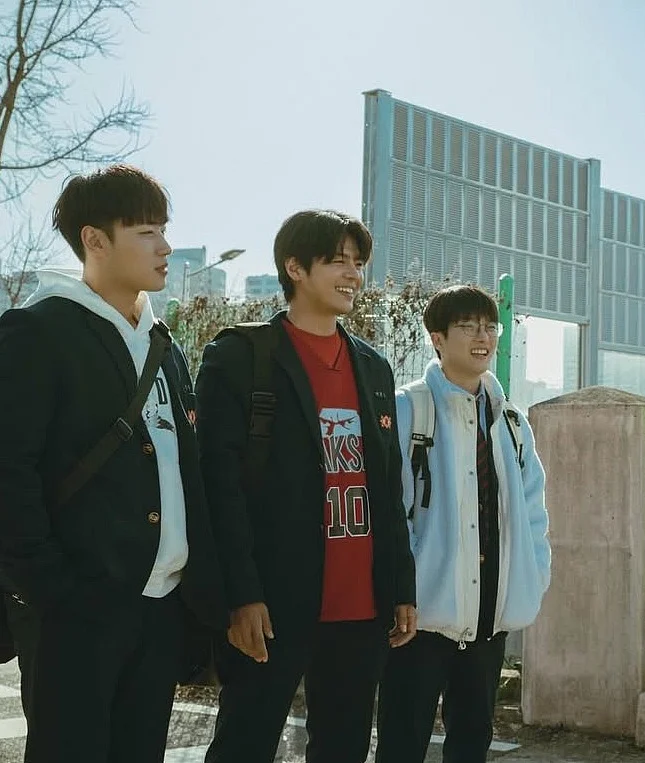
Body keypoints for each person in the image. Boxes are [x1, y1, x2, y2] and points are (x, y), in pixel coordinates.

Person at [0, 164, 227, 763]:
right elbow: (8, 472)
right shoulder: (37, 332)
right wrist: (51, 589)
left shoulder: (162, 344)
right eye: (146, 232)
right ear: (94, 240)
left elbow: (187, 471)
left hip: (159, 607)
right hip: (76, 607)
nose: (164, 247)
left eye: (164, 230)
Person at [196, 209, 416, 763]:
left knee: (344, 748)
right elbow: (220, 488)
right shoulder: (241, 356)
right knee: (244, 743)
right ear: (294, 268)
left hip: (361, 603)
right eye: (337, 261)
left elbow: (387, 487)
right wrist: (241, 594)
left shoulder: (374, 368)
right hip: (273, 600)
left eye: (358, 263)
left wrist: (401, 585)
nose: (353, 274)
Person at [375, 284, 551, 763]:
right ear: (437, 338)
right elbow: (391, 511)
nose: (482, 337)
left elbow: (533, 509)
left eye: (490, 327)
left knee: (473, 740)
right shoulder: (410, 409)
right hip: (418, 617)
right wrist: (401, 589)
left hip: (489, 612)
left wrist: (533, 578)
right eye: (468, 327)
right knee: (402, 741)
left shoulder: (511, 420)